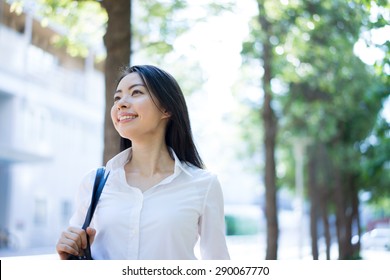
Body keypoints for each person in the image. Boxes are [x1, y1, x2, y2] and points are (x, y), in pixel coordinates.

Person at [56, 65, 230, 260]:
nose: (121, 103)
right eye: (117, 97)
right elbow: (76, 253)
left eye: (136, 92)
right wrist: (69, 254)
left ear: (166, 108)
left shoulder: (203, 184)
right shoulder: (94, 183)